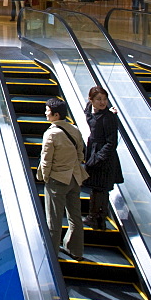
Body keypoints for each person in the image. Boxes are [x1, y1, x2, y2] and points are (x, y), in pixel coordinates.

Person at [37, 98, 86, 261]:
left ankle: (52, 254)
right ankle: (76, 250)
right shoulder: (75, 130)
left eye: (47, 111)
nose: (45, 113)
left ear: (56, 114)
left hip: (57, 180)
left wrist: (45, 177)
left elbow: (46, 160)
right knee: (75, 217)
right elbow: (80, 154)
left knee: (54, 221)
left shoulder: (51, 134)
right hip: (74, 178)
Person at [84, 87, 123, 230]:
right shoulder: (92, 112)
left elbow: (112, 142)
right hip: (95, 152)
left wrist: (98, 158)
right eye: (98, 99)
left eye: (104, 99)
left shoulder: (108, 117)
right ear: (91, 100)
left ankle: (98, 218)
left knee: (101, 189)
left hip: (104, 157)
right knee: (96, 188)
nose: (102, 102)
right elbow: (87, 111)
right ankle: (93, 217)